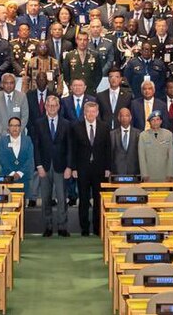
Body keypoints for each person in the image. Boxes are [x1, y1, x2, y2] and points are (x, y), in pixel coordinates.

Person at [69, 101, 111, 236]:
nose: (91, 114)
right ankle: (85, 228)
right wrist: (73, 168)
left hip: (99, 169)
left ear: (97, 113)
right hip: (82, 169)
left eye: (93, 111)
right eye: (88, 111)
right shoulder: (76, 127)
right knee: (84, 199)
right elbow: (73, 149)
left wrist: (108, 167)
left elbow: (108, 149)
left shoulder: (105, 127)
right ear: (84, 113)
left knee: (98, 200)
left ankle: (98, 228)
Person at [32, 95, 70, 237]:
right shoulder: (38, 123)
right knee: (46, 198)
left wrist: (69, 167)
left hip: (61, 166)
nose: (52, 108)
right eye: (50, 105)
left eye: (55, 105)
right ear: (46, 107)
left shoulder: (66, 123)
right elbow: (36, 146)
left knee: (61, 197)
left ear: (59, 107)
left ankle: (62, 227)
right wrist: (39, 165)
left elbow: (69, 147)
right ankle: (47, 226)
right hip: (45, 167)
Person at [0, 116, 35, 197]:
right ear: (8, 127)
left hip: (23, 177)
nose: (14, 128)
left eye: (17, 125)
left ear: (20, 127)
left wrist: (19, 173)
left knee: (22, 205)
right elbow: (2, 158)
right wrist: (12, 173)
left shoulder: (27, 140)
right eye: (12, 125)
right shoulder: (3, 140)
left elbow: (30, 158)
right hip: (7, 177)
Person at [138, 111, 173, 182]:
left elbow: (171, 156)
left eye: (157, 119)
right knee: (149, 193)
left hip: (165, 175)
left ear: (161, 121)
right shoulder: (143, 135)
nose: (155, 122)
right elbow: (141, 156)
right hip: (149, 175)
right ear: (149, 122)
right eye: (153, 120)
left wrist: (171, 174)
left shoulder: (168, 134)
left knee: (164, 193)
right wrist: (144, 174)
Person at [110, 107, 141, 175]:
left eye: (127, 116)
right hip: (117, 171)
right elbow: (110, 154)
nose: (124, 118)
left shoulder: (138, 133)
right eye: (122, 116)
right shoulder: (112, 134)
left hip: (134, 170)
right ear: (118, 118)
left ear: (130, 117)